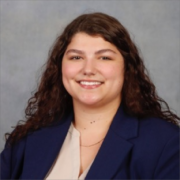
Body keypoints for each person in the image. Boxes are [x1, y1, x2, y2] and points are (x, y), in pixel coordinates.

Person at [1, 12, 179, 180]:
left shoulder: (166, 143)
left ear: (127, 68)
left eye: (104, 58)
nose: (88, 70)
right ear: (59, 67)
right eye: (76, 57)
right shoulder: (25, 140)